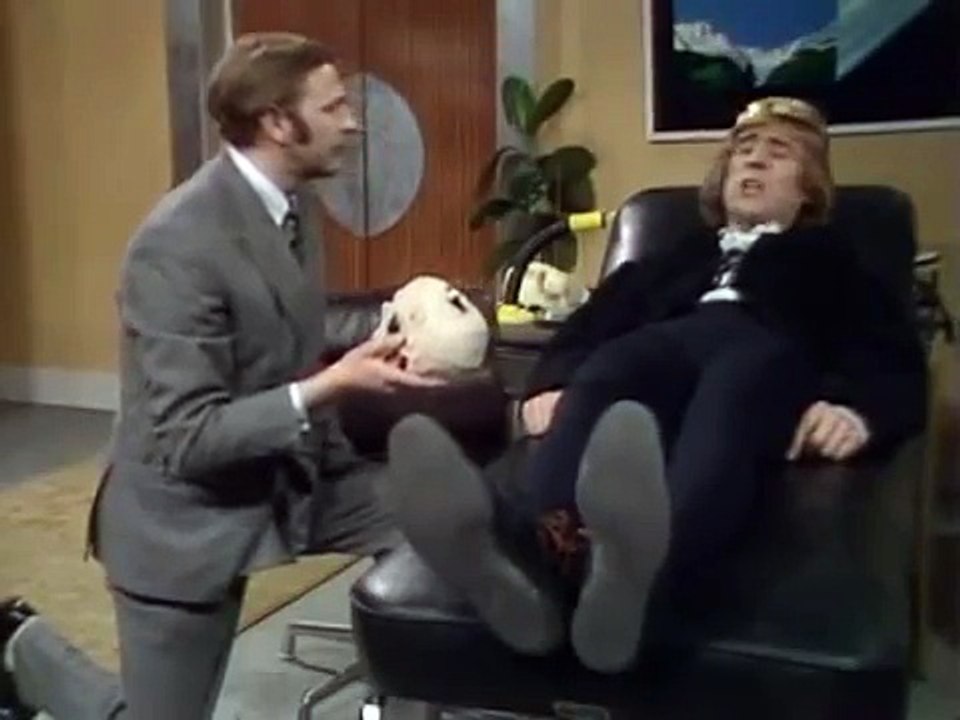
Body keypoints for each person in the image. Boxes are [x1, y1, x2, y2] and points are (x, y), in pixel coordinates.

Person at [385, 97, 928, 674]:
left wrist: (857, 411)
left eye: (779, 154)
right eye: (744, 151)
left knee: (736, 390)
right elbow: (591, 324)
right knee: (611, 367)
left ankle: (649, 578)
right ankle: (541, 559)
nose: (753, 162)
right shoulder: (676, 257)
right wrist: (554, 380)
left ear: (807, 192)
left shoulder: (832, 262)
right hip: (667, 342)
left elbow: (894, 357)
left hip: (763, 349)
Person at [0, 32, 441, 719]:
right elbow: (188, 436)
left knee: (435, 519)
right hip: (184, 521)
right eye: (332, 107)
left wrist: (380, 350)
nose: (353, 121)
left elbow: (281, 337)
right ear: (277, 122)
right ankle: (22, 649)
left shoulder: (295, 204)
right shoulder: (177, 243)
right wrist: (332, 385)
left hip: (289, 477)